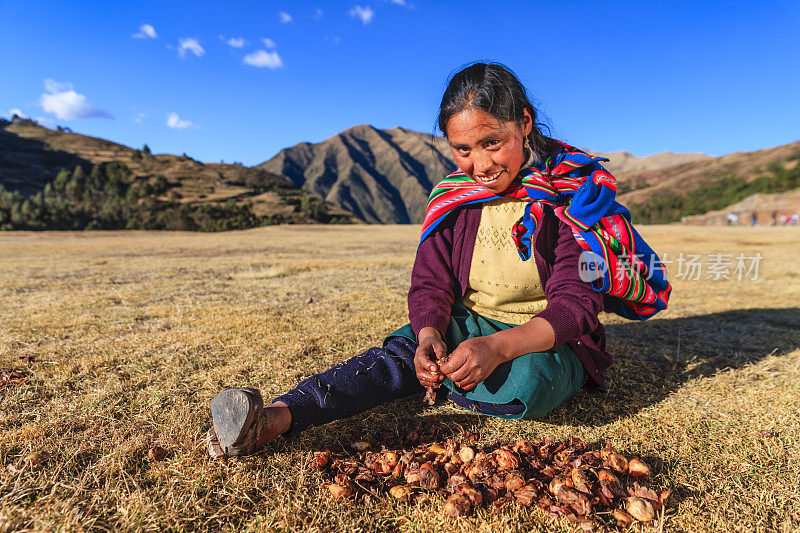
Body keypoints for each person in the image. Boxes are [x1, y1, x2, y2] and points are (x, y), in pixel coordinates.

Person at [205, 63, 670, 458]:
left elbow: (576, 304)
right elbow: (431, 281)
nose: (480, 165)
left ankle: (422, 380)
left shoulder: (572, 196)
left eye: (492, 142)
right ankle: (274, 419)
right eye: (462, 149)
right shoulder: (455, 196)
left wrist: (499, 348)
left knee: (530, 383)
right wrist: (429, 333)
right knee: (401, 353)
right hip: (466, 325)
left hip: (545, 340)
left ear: (524, 123)